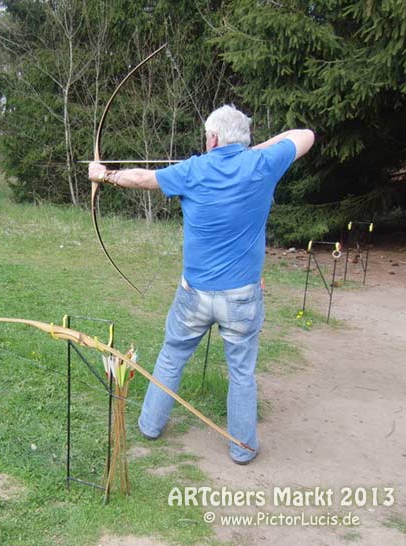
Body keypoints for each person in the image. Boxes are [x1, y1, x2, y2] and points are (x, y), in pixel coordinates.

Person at [88, 104, 314, 464]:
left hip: (194, 295)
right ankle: (242, 449)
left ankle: (149, 426)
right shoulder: (263, 164)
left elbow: (144, 179)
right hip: (241, 296)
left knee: (172, 356)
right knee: (241, 372)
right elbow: (306, 135)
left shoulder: (195, 168)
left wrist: (105, 175)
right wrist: (254, 150)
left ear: (212, 138)